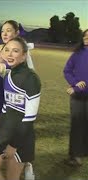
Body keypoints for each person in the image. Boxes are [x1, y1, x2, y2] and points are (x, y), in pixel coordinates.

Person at [0, 37, 41, 180]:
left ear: (23, 56)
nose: (10, 54)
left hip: (21, 135)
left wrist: (14, 145)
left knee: (12, 177)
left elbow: (29, 118)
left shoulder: (31, 78)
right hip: (5, 131)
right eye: (7, 50)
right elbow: (6, 107)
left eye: (15, 51)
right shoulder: (8, 76)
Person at [63, 29, 88, 166]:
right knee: (77, 125)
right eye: (85, 36)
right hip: (78, 96)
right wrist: (74, 84)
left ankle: (84, 152)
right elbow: (67, 71)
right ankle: (76, 155)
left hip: (81, 93)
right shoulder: (77, 54)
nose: (86, 37)